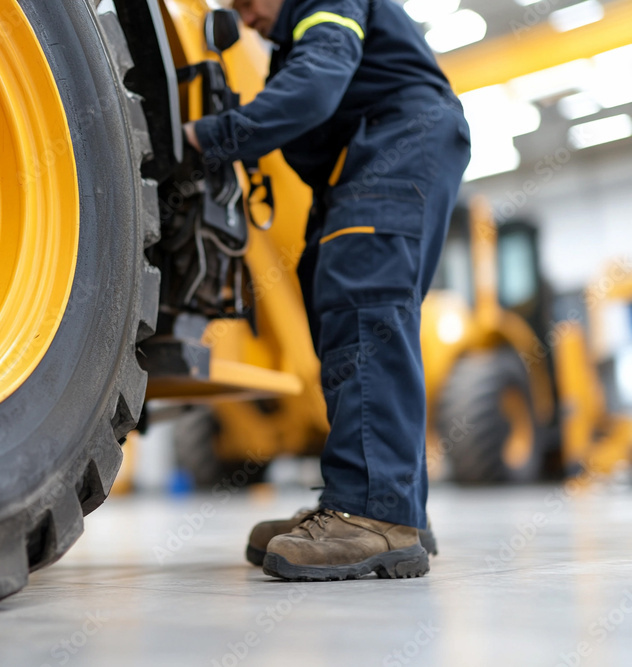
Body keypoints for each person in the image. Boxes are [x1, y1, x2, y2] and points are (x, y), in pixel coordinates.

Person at [183, 0, 471, 581]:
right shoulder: (297, 34)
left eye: (245, 2)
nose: (244, 17)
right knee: (363, 312)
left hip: (395, 143)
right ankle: (389, 503)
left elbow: (314, 88)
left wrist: (209, 137)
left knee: (363, 306)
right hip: (373, 154)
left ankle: (372, 516)